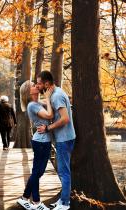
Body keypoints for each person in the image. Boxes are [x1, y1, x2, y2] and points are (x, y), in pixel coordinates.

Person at [36, 71, 76, 210]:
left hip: (64, 139)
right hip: (64, 137)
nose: (37, 85)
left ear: (47, 84)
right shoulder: (55, 93)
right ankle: (62, 200)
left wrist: (48, 128)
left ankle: (65, 203)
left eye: (39, 83)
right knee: (62, 170)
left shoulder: (57, 96)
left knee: (64, 171)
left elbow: (65, 119)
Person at [16, 80, 54, 210]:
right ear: (28, 91)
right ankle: (36, 203)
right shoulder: (32, 105)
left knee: (37, 172)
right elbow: (49, 115)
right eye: (33, 85)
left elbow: (52, 105)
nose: (36, 86)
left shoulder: (37, 103)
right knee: (37, 172)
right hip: (41, 142)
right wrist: (48, 99)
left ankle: (25, 198)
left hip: (43, 141)